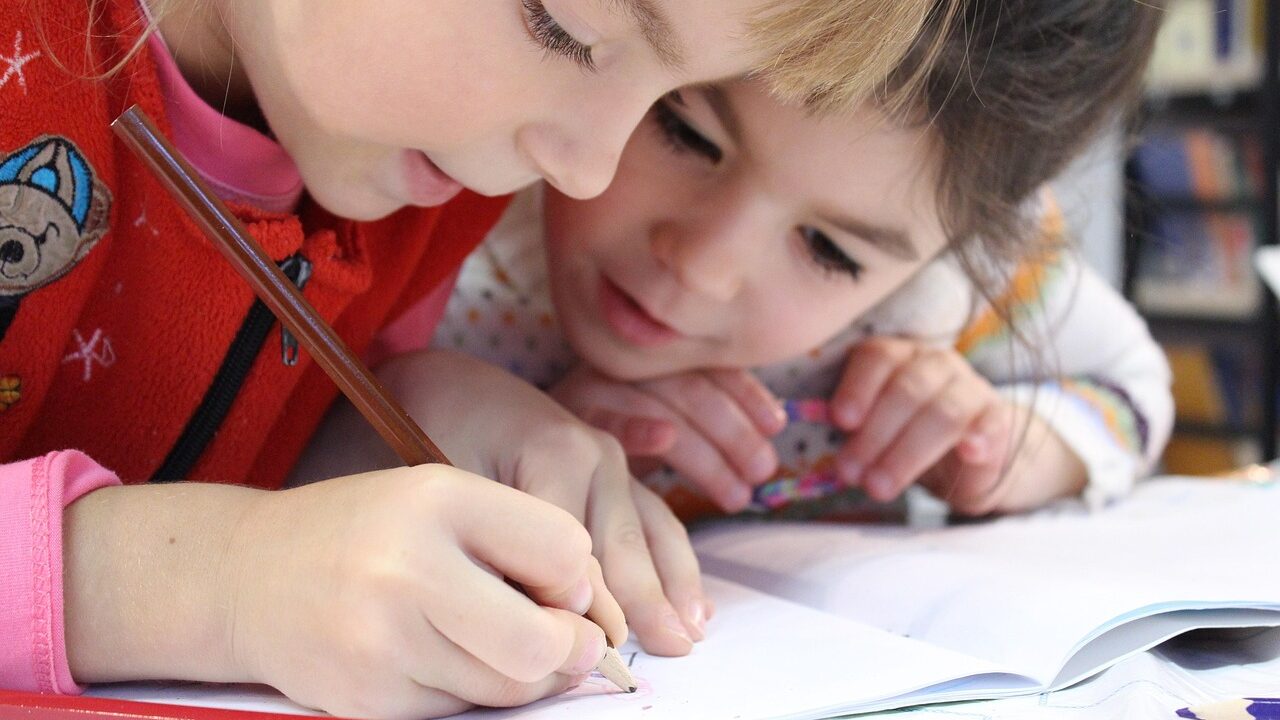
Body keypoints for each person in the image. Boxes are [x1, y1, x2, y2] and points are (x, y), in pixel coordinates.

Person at [0, 0, 960, 717]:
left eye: (662, 98)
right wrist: (216, 585)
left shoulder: (425, 181)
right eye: (564, 27)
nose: (585, 169)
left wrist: (401, 419)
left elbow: (212, 457)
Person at [388, 0, 1174, 521]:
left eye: (830, 251)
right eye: (685, 134)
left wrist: (1011, 447)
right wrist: (478, 434)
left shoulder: (955, 290)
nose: (701, 268)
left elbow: (1133, 386)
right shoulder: (451, 195)